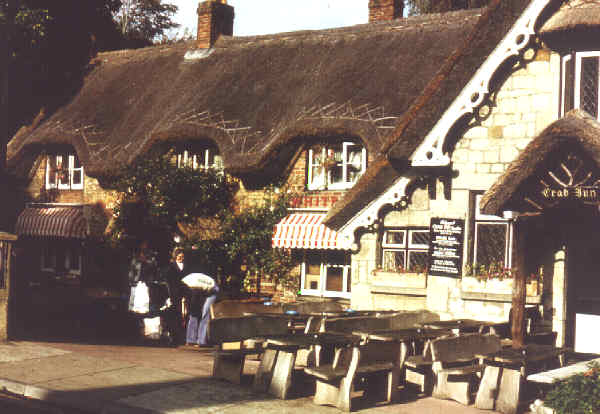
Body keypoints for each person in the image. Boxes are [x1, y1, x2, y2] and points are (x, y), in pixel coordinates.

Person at [161, 247, 187, 345]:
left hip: (184, 294)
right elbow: (169, 282)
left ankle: (182, 337)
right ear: (175, 256)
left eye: (182, 255)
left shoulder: (186, 267)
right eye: (179, 255)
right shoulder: (171, 267)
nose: (181, 257)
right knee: (175, 315)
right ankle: (174, 337)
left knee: (184, 315)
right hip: (174, 294)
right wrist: (171, 294)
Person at [185, 273, 219, 347]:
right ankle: (191, 340)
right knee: (193, 315)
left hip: (212, 292)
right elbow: (194, 303)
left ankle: (201, 341)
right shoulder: (190, 284)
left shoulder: (195, 285)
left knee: (205, 314)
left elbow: (196, 298)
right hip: (203, 291)